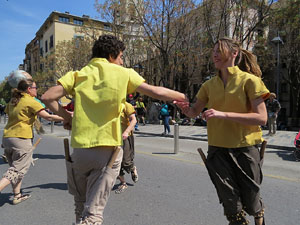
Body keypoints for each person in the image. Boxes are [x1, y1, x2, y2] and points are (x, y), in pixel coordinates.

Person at [41, 34, 186, 225]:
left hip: (80, 152)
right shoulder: (124, 73)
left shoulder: (78, 74)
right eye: (121, 57)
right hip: (107, 151)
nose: (122, 61)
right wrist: (184, 96)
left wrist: (68, 118)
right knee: (93, 215)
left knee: (80, 204)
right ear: (111, 55)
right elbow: (157, 91)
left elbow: (47, 97)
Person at [175, 37, 269, 225]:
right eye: (214, 51)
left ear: (234, 53)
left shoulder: (250, 81)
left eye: (220, 50)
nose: (215, 54)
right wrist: (185, 109)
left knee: (251, 203)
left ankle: (259, 215)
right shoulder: (208, 85)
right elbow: (194, 112)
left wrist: (224, 115)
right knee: (231, 207)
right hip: (217, 150)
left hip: (245, 149)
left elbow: (262, 118)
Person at [0, 79, 64, 204]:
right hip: (21, 139)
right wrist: (67, 117)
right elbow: (48, 116)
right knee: (17, 170)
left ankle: (17, 195)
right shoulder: (30, 101)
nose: (37, 90)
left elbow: (10, 117)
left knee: (16, 168)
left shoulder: (13, 101)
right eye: (35, 87)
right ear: (29, 89)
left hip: (8, 138)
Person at [115, 102, 138, 194]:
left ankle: (132, 168)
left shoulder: (126, 105)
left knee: (126, 161)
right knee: (114, 163)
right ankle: (123, 183)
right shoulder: (107, 105)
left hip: (125, 137)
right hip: (111, 139)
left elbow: (134, 120)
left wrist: (126, 131)